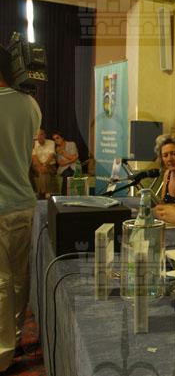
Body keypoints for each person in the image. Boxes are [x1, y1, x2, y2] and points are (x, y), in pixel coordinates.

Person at [0, 47, 42, 371]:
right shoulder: (30, 104)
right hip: (25, 203)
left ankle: (2, 355)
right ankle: (13, 339)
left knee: (1, 283)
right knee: (19, 279)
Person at [31, 128, 56, 199]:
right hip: (37, 165)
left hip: (50, 165)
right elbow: (34, 157)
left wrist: (44, 165)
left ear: (45, 135)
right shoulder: (33, 143)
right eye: (38, 135)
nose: (40, 136)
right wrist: (41, 167)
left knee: (43, 171)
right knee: (42, 172)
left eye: (41, 134)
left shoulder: (51, 142)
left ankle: (41, 193)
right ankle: (46, 193)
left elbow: (51, 155)